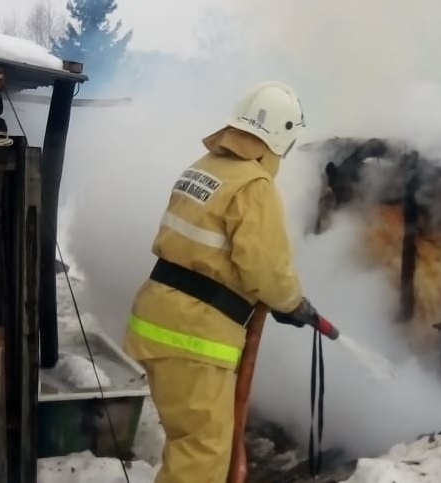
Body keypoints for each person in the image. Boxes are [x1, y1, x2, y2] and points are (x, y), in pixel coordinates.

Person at [123, 81, 324, 483]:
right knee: (202, 455)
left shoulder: (203, 169)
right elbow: (266, 268)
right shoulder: (253, 185)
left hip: (158, 321)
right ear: (282, 135)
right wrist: (292, 303)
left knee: (190, 444)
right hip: (194, 337)